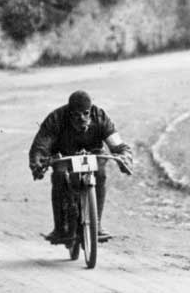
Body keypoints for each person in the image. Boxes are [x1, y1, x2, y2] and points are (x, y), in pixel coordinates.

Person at [29, 90, 132, 244]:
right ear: (69, 113)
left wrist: (124, 156)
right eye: (76, 115)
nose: (82, 119)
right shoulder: (56, 118)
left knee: (101, 173)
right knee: (58, 176)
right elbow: (41, 145)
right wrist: (38, 161)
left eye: (85, 113)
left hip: (93, 154)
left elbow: (117, 144)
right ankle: (59, 227)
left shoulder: (100, 117)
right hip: (64, 155)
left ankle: (96, 224)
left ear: (90, 111)